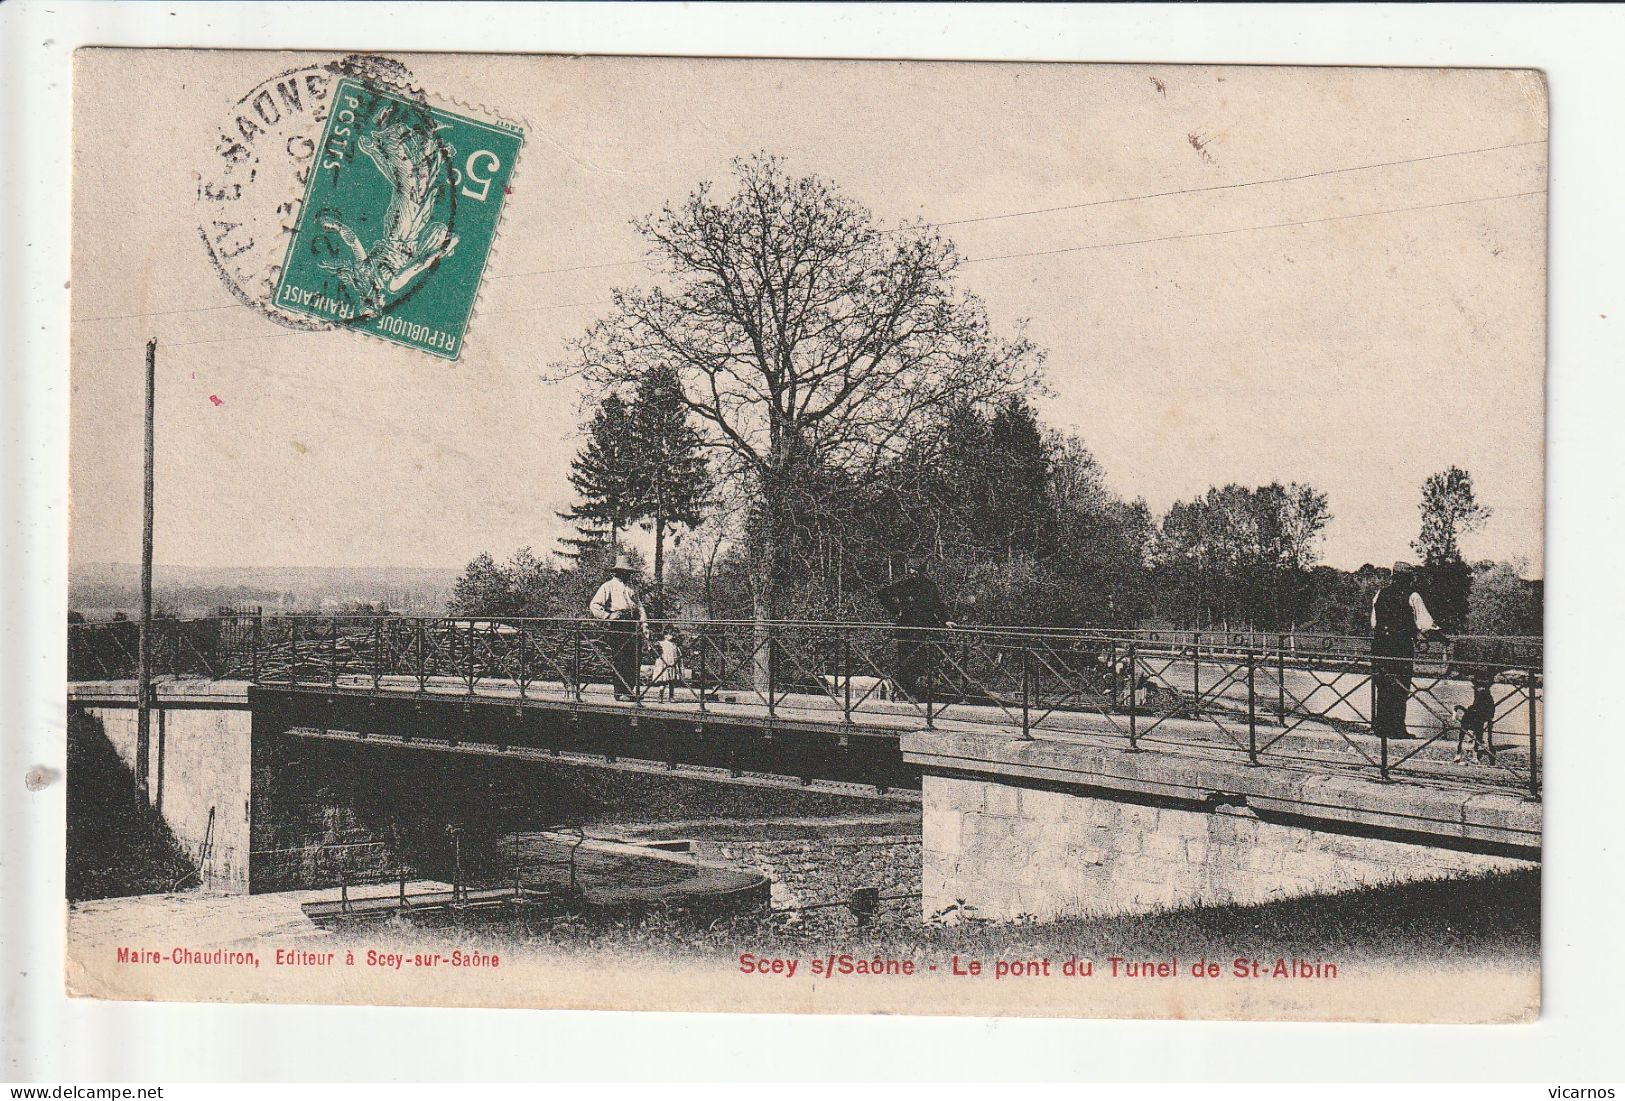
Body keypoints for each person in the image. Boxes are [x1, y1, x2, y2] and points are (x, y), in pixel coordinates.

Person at [1370, 560, 1449, 740]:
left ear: (1393, 577)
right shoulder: (1412, 596)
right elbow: (1425, 624)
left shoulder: (1380, 594)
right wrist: (1442, 637)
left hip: (1380, 645)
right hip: (1400, 646)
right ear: (1408, 578)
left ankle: (1381, 727)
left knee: (1382, 685)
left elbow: (1374, 623)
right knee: (1400, 686)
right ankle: (1397, 729)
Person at [875, 556, 956, 699]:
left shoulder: (930, 587)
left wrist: (946, 620)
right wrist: (896, 610)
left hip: (925, 631)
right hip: (906, 630)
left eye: (916, 569)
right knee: (906, 662)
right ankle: (905, 692)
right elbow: (882, 594)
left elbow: (939, 606)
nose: (913, 572)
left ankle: (921, 694)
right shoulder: (904, 585)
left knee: (923, 662)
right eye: (911, 568)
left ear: (921, 570)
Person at [589, 553, 646, 701]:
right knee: (621, 657)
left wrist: (644, 624)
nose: (627, 574)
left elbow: (640, 607)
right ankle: (620, 692)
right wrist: (608, 616)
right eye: (624, 571)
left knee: (635, 657)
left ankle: (629, 690)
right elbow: (594, 605)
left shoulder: (632, 588)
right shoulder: (608, 586)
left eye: (628, 572)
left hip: (633, 623)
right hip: (619, 623)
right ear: (618, 571)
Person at [648, 629, 683, 702]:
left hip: (672, 663)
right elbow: (653, 649)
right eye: (670, 634)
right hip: (664, 664)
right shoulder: (661, 643)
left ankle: (671, 697)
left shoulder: (674, 645)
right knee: (663, 682)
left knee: (671, 682)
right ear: (665, 636)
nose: (672, 636)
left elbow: (679, 654)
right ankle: (660, 696)